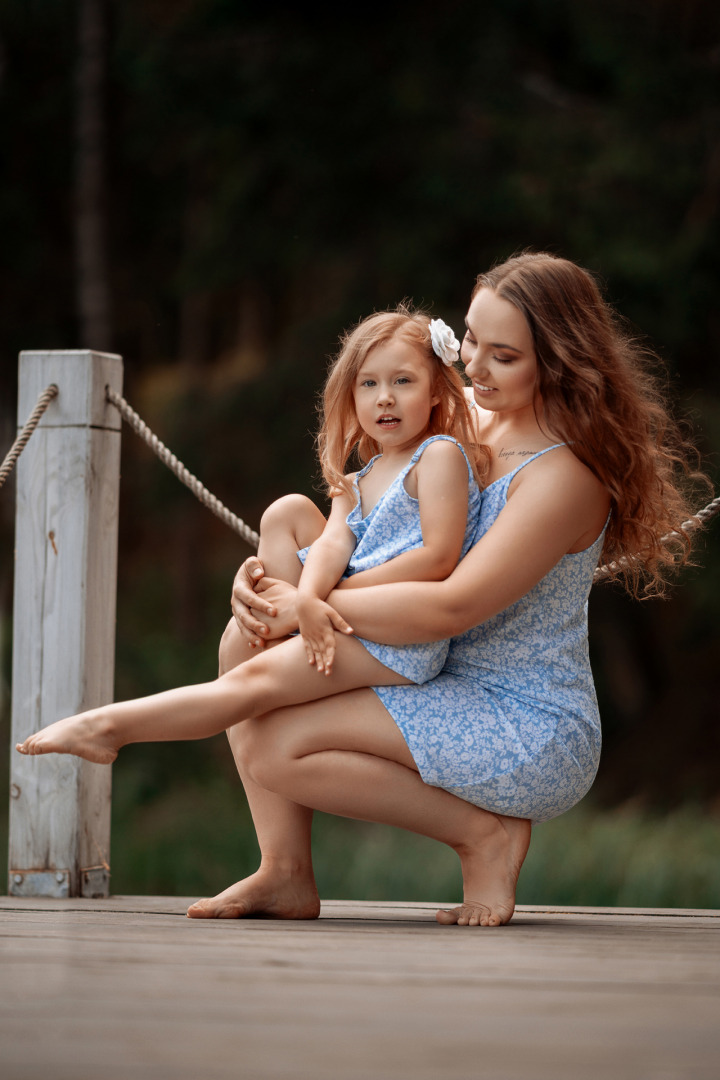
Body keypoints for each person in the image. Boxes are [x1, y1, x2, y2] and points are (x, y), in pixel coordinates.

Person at [18, 252, 704, 928]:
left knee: (272, 742)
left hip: (522, 718)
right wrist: (266, 579)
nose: (474, 366)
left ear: (556, 362)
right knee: (243, 638)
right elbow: (365, 518)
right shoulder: (457, 409)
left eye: (505, 356)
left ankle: (482, 835)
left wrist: (309, 608)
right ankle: (284, 872)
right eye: (470, 340)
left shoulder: (563, 477)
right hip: (427, 669)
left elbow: (452, 602)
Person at [15, 307, 482, 749]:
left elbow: (438, 558)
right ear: (352, 394)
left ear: (437, 390)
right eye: (369, 383)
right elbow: (333, 543)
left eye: (403, 381)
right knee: (286, 514)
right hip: (352, 619)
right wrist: (308, 597)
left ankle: (110, 728)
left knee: (250, 684)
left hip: (402, 637)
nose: (385, 396)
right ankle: (268, 648)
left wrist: (323, 600)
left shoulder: (437, 454)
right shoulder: (357, 480)